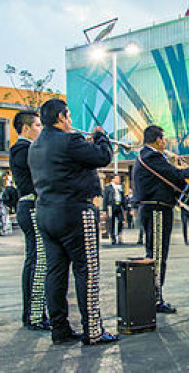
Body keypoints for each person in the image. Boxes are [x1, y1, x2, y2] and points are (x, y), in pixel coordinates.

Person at [28, 99, 118, 345]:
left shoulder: (35, 147)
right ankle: (93, 330)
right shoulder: (70, 141)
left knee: (55, 272)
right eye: (68, 116)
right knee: (87, 271)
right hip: (75, 212)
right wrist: (101, 136)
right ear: (61, 116)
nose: (70, 121)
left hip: (46, 213)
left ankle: (60, 329)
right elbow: (103, 157)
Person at [132, 125, 189, 314]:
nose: (166, 142)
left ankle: (156, 295)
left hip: (156, 208)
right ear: (157, 140)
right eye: (164, 139)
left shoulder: (150, 156)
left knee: (157, 253)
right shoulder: (152, 156)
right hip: (156, 209)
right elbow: (176, 176)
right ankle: (155, 299)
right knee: (157, 255)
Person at [9, 110, 50, 331]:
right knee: (38, 261)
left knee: (37, 260)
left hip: (34, 206)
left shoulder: (27, 148)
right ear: (25, 128)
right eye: (37, 126)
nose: (40, 130)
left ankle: (35, 313)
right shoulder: (22, 149)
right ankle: (34, 315)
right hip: (31, 206)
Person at [102, 175, 125, 244]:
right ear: (113, 179)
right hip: (111, 205)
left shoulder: (121, 187)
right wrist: (104, 210)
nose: (119, 180)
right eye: (117, 178)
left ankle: (119, 233)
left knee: (120, 220)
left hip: (119, 205)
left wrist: (125, 207)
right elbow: (105, 198)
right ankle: (113, 237)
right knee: (111, 222)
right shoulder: (108, 187)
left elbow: (123, 198)